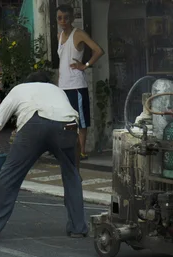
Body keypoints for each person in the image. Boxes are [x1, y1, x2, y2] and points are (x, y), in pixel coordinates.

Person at [0, 71, 89, 240]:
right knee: (72, 178)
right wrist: (76, 169)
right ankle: (78, 228)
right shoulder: (57, 90)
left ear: (27, 81)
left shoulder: (19, 89)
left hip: (35, 125)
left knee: (10, 176)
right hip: (67, 127)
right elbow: (76, 143)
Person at [56, 4, 105, 163]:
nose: (63, 21)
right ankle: (70, 149)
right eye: (60, 18)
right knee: (66, 120)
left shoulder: (78, 34)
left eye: (66, 18)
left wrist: (85, 65)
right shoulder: (59, 36)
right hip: (63, 86)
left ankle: (82, 151)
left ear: (72, 18)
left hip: (76, 85)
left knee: (81, 121)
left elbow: (98, 50)